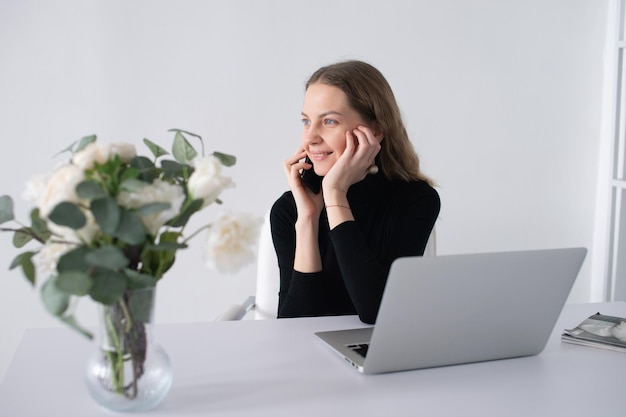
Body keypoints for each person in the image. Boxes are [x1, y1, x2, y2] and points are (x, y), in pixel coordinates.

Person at [270, 60, 440, 324]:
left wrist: (335, 195)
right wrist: (308, 220)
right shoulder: (291, 209)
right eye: (306, 121)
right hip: (307, 360)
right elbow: (294, 326)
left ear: (374, 131)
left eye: (328, 121)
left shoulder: (415, 200)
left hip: (379, 354)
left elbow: (376, 312)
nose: (310, 137)